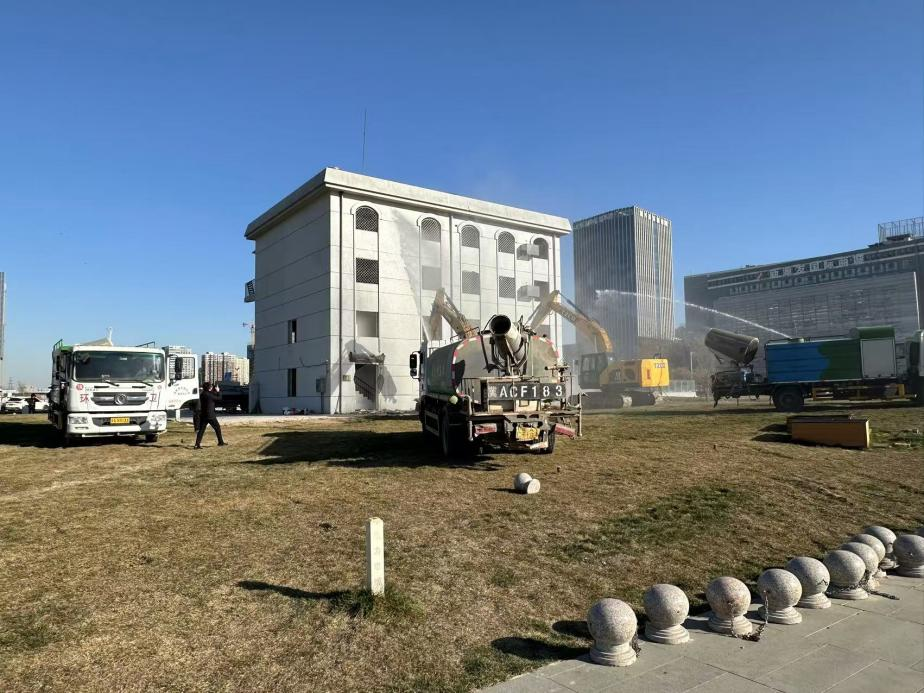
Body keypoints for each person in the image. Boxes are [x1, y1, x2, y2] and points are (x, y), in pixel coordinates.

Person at [194, 382, 226, 448]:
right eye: (210, 386)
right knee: (217, 428)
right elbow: (219, 398)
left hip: (203, 415)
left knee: (201, 430)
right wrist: (218, 391)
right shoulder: (209, 395)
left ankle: (197, 444)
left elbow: (211, 394)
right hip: (210, 415)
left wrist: (214, 390)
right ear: (209, 388)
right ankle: (220, 442)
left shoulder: (202, 394)